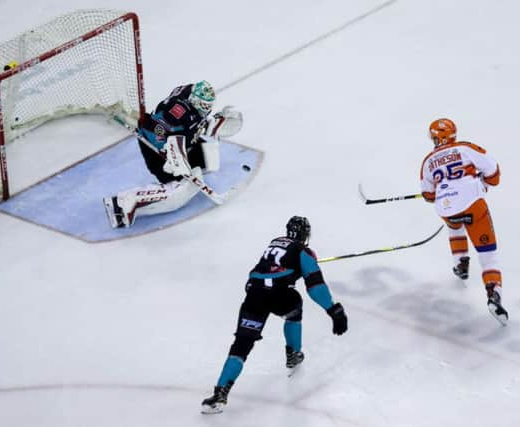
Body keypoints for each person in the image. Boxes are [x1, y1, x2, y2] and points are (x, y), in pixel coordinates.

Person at [201, 216, 348, 414]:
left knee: (242, 345)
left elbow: (270, 267)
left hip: (254, 294)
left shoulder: (275, 242)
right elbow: (315, 286)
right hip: (279, 295)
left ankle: (219, 395)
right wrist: (333, 310)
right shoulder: (304, 251)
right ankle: (293, 355)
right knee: (294, 308)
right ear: (306, 234)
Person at [103, 80, 240, 228]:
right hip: (156, 149)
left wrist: (209, 124)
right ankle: (124, 203)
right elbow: (163, 135)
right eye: (204, 105)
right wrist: (177, 161)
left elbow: (187, 127)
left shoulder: (190, 95)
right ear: (194, 100)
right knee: (181, 192)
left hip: (173, 137)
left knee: (208, 157)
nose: (206, 109)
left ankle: (184, 167)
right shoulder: (177, 113)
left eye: (208, 105)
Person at [420, 118, 508, 325]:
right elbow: (494, 172)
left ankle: (460, 262)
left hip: (447, 209)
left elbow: (428, 194)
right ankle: (493, 293)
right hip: (473, 206)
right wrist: (483, 181)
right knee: (488, 255)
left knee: (454, 222)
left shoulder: (428, 161)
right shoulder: (466, 148)